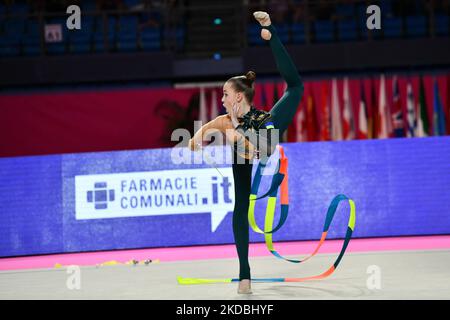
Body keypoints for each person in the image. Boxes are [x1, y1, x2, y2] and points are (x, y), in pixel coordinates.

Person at [188, 11, 304, 294]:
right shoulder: (226, 121)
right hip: (245, 149)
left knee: (296, 87)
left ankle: (271, 32)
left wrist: (270, 35)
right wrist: (195, 138)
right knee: (240, 207)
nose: (222, 98)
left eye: (225, 94)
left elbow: (258, 150)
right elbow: (211, 127)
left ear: (238, 96)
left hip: (266, 141)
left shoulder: (264, 120)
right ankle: (245, 274)